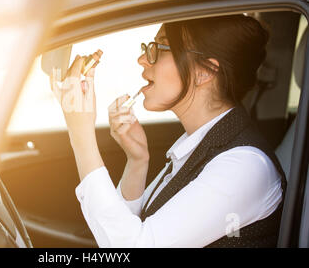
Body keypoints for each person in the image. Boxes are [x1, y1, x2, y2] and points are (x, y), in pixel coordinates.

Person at [52, 14, 287, 247]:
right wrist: (137, 161)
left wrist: (80, 134)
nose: (142, 59)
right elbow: (118, 233)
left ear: (204, 71)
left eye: (159, 48)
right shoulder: (199, 146)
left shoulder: (243, 167)